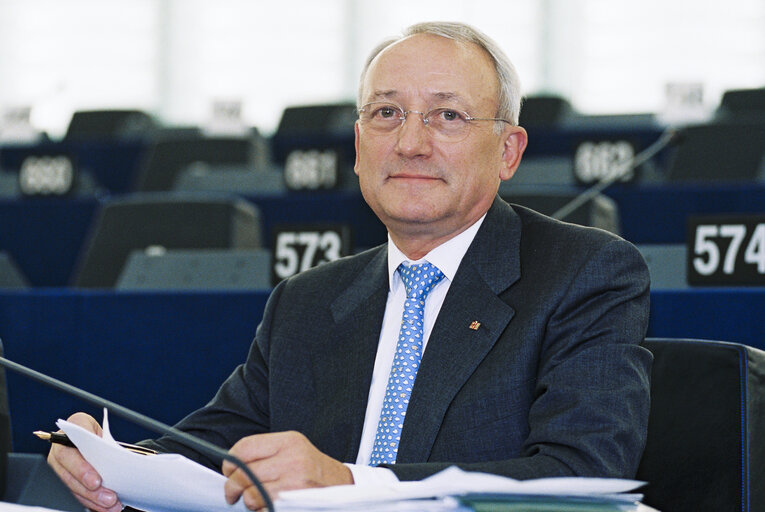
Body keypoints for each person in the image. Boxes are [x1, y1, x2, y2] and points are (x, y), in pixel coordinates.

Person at [48, 21, 651, 512]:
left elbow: (579, 476)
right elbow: (213, 447)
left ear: (508, 151)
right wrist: (113, 462)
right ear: (359, 146)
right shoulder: (307, 300)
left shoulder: (585, 272)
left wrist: (350, 483)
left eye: (447, 116)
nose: (411, 143)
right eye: (387, 114)